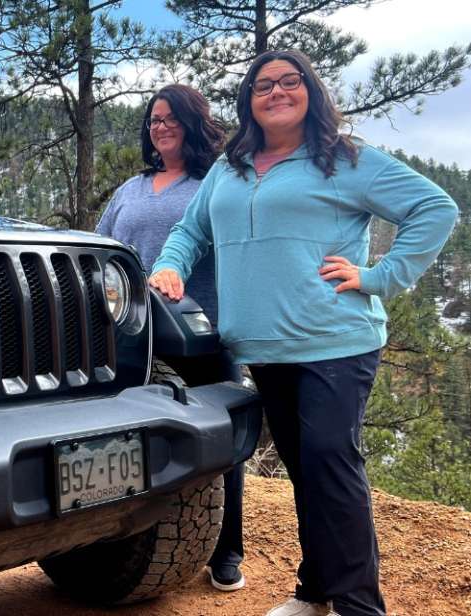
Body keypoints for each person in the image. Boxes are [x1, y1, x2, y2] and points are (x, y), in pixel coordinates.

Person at [149, 50, 458, 616]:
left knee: (329, 465)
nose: (277, 92)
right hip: (264, 348)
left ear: (310, 91)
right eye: (263, 85)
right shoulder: (230, 165)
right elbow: (189, 230)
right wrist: (170, 264)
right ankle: (315, 591)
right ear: (249, 101)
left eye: (290, 81)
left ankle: (360, 607)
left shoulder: (344, 158)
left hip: (335, 342)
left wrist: (380, 276)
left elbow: (434, 208)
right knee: (305, 470)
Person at [95, 84, 247, 593]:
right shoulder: (130, 190)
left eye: (171, 118)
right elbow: (101, 252)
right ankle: (131, 542)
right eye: (154, 120)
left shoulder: (215, 184)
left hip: (201, 334)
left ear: (192, 123)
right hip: (133, 341)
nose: (160, 127)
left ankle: (227, 551)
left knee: (218, 442)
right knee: (135, 442)